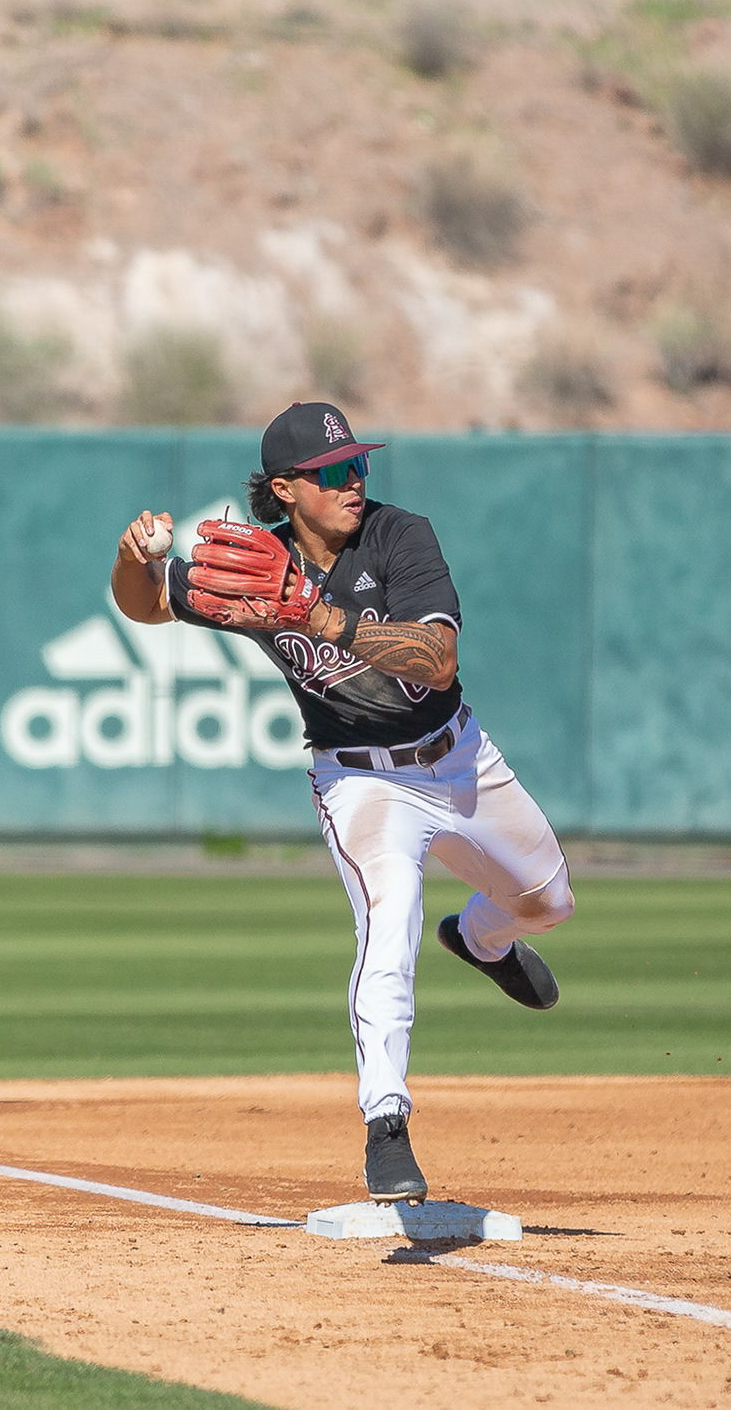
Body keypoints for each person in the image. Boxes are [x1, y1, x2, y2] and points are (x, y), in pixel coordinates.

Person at [111, 402, 574, 1201]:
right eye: (333, 472)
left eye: (359, 464)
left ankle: (479, 940)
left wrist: (319, 615)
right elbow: (145, 605)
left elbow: (436, 659)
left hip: (457, 755)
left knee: (548, 902)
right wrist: (133, 562)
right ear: (287, 489)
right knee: (386, 920)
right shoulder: (253, 566)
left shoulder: (399, 537)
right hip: (358, 779)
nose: (355, 481)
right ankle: (385, 1124)